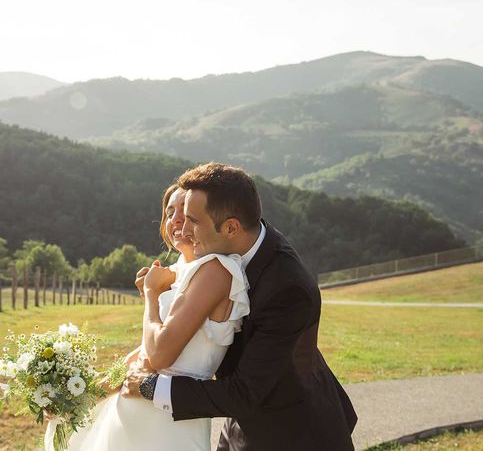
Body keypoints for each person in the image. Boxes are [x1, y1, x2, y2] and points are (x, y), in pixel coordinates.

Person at [123, 162, 357, 451]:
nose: (183, 228)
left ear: (231, 227)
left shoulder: (288, 289)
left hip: (292, 433)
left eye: (193, 221)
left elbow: (245, 391)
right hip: (241, 425)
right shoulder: (229, 248)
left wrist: (151, 387)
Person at [68, 182, 250, 450]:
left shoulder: (217, 270)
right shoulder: (177, 271)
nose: (176, 220)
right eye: (170, 211)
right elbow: (142, 353)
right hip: (131, 420)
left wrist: (151, 294)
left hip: (169, 426)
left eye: (186, 213)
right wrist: (84, 396)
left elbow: (158, 357)